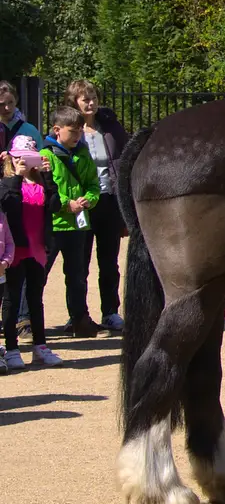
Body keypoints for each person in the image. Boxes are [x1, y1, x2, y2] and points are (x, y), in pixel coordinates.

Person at [66, 81, 130, 333]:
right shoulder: (70, 130)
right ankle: (78, 314)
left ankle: (110, 312)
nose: (90, 103)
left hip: (108, 200)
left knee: (109, 260)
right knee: (78, 262)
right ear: (74, 102)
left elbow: (124, 163)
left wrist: (125, 207)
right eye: (84, 99)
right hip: (80, 204)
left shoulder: (111, 128)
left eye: (93, 97)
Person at [42, 105, 101, 338]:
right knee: (40, 275)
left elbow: (94, 185)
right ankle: (24, 320)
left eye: (80, 132)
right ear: (57, 130)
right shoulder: (46, 156)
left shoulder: (84, 154)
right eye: (72, 132)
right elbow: (46, 189)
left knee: (77, 274)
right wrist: (68, 204)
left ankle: (79, 319)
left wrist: (89, 200)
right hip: (53, 225)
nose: (78, 136)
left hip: (78, 225)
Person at [1, 136, 60, 367]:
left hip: (37, 249)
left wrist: (48, 176)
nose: (25, 162)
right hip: (16, 249)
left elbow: (55, 205)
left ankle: (40, 346)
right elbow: (9, 205)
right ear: (12, 159)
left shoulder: (41, 183)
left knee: (36, 299)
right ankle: (12, 349)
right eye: (20, 158)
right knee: (12, 300)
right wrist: (16, 176)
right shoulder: (6, 183)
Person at [0, 81, 44, 151]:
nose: (7, 108)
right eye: (2, 104)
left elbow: (41, 157)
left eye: (10, 102)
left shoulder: (30, 130)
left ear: (16, 100)